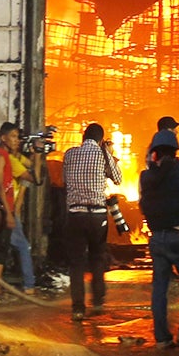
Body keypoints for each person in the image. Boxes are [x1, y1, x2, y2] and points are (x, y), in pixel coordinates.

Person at [137, 130, 179, 349]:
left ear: (154, 153)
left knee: (159, 289)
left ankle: (162, 339)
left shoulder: (144, 177)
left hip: (157, 239)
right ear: (175, 151)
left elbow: (142, 206)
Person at [62, 123, 118, 323]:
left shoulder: (69, 154)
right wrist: (109, 153)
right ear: (101, 139)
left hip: (75, 215)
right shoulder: (103, 155)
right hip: (97, 216)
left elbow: (64, 181)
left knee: (76, 262)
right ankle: (98, 302)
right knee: (97, 257)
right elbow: (118, 179)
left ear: (83, 137)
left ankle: (78, 309)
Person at [0, 123, 37, 293]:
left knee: (0, 251)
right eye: (14, 136)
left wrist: (36, 154)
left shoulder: (10, 157)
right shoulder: (1, 157)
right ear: (3, 138)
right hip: (4, 210)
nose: (17, 140)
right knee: (13, 248)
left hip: (5, 209)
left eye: (17, 137)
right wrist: (9, 213)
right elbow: (0, 186)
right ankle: (25, 286)